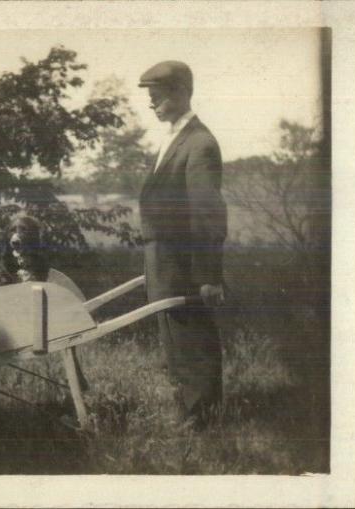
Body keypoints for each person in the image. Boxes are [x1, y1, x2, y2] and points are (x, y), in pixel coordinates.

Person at [138, 61, 227, 428]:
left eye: (156, 97)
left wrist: (208, 275)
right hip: (164, 259)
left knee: (192, 336)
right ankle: (188, 407)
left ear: (180, 93)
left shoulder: (199, 143)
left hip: (184, 262)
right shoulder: (174, 138)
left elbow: (207, 211)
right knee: (175, 335)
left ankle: (202, 415)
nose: (151, 104)